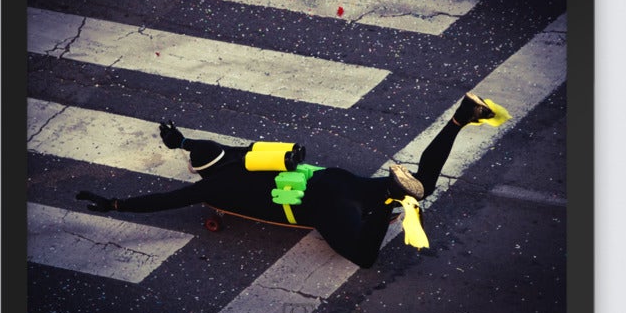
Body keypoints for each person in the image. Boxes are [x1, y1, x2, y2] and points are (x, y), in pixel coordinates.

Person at [73, 94, 508, 271]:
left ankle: (390, 201)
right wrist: (181, 140)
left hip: (320, 207)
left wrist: (114, 205)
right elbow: (202, 146)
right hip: (334, 180)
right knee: (426, 183)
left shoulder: (209, 188)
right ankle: (460, 116)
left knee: (364, 257)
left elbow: (163, 200)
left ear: (200, 172)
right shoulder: (245, 154)